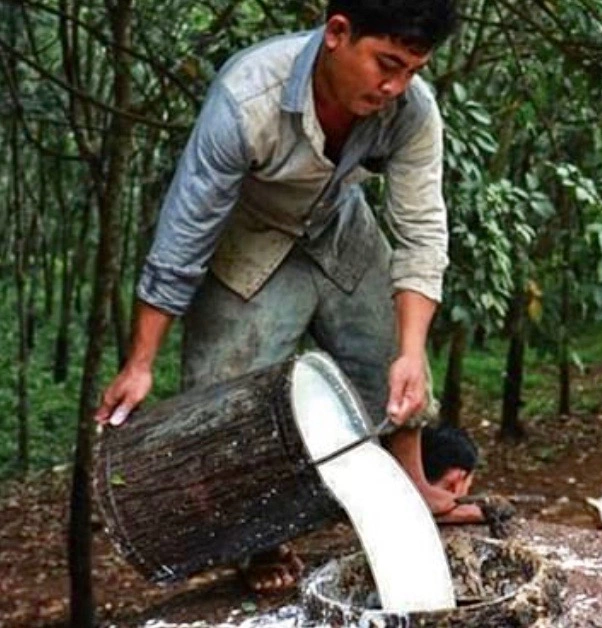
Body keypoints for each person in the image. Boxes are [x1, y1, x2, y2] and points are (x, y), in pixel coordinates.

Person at [93, 0, 482, 591]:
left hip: (339, 227)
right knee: (226, 402)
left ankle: (413, 485)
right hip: (250, 237)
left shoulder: (411, 111)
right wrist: (141, 361)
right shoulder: (247, 96)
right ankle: (260, 542)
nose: (395, 86)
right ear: (337, 33)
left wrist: (409, 350)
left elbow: (422, 232)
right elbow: (184, 231)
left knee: (392, 351)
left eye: (412, 70)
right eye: (386, 64)